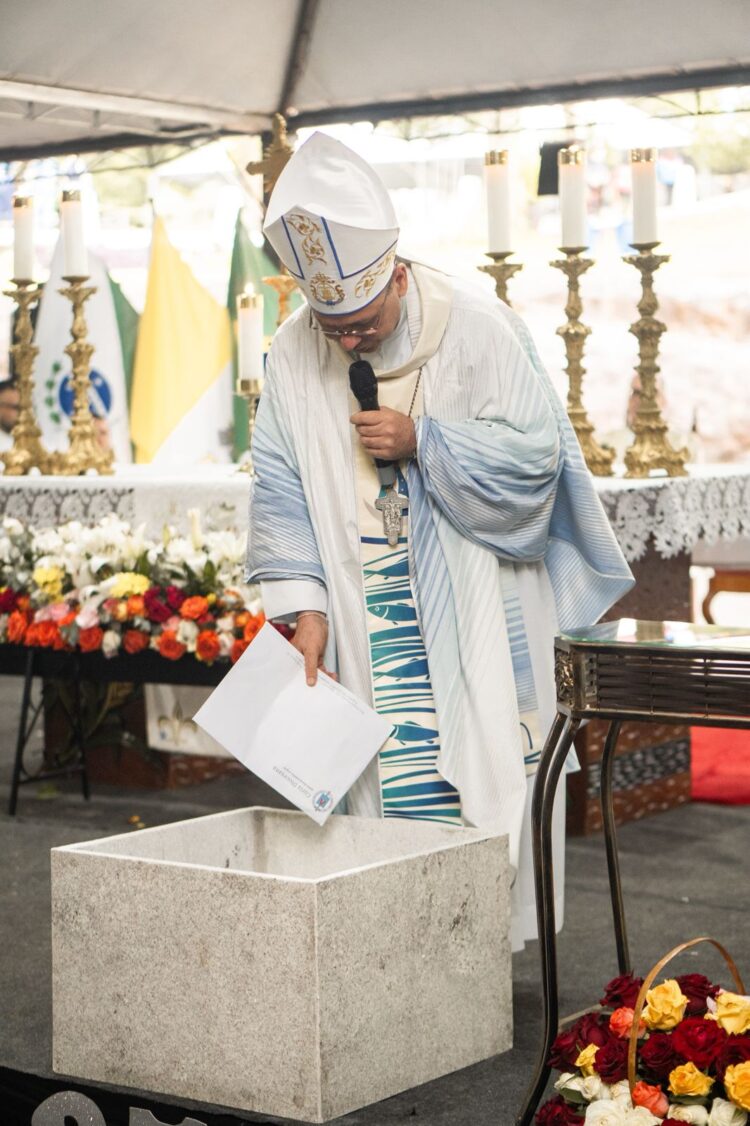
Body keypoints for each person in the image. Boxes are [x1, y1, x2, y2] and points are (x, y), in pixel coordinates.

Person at [247, 133, 633, 947]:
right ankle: (398, 961)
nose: (347, 342)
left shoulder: (483, 328)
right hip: (365, 613)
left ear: (394, 270)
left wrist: (428, 442)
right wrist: (303, 606)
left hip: (476, 602)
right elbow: (278, 481)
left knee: (486, 781)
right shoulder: (291, 350)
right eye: (332, 325)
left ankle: (483, 962)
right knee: (385, 789)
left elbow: (539, 460)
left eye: (361, 321)